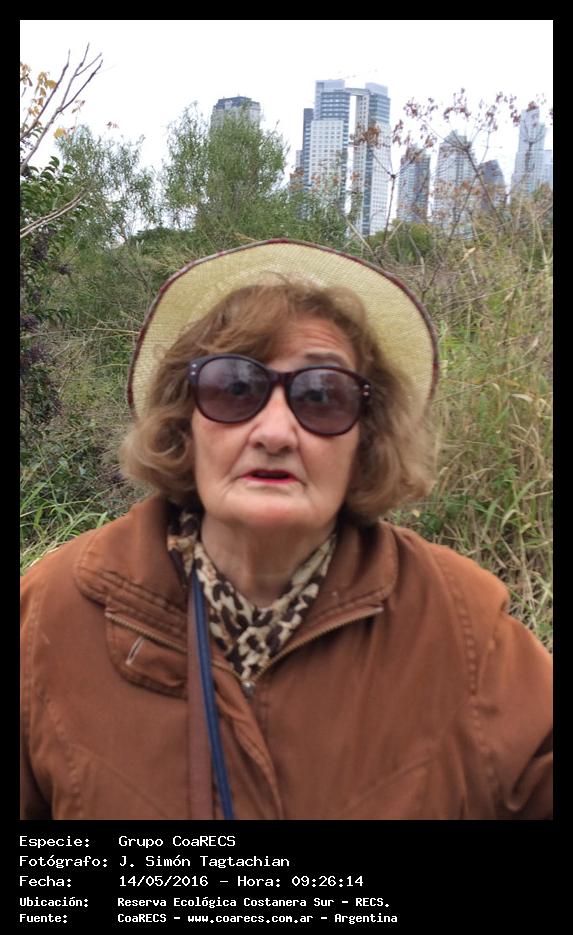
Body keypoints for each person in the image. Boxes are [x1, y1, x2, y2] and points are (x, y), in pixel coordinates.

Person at [20, 239, 552, 820]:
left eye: (321, 396)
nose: (274, 433)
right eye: (234, 388)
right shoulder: (53, 611)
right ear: (185, 421)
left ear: (366, 436)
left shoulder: (464, 627)